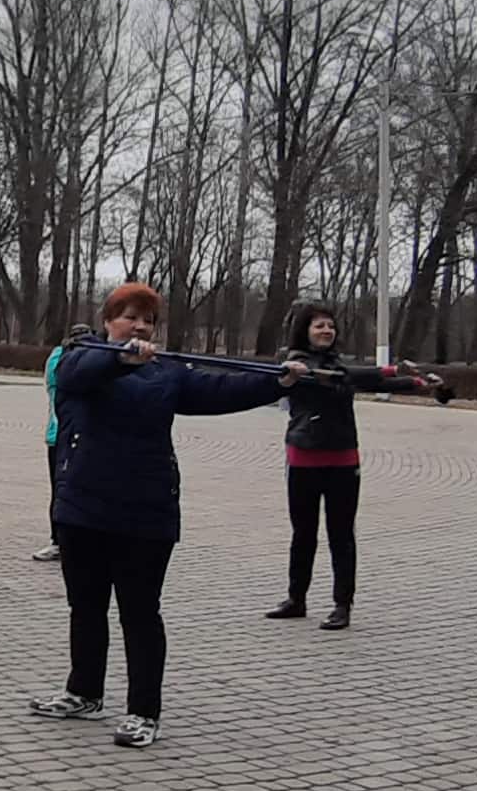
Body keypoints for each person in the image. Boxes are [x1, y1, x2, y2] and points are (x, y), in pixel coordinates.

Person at [31, 282, 298, 750]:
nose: (140, 326)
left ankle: (143, 711)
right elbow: (79, 375)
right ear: (107, 321)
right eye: (129, 317)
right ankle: (84, 692)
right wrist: (120, 358)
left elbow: (220, 388)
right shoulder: (79, 357)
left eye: (148, 320)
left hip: (146, 512)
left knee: (140, 613)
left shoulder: (167, 373)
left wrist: (277, 381)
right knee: (86, 607)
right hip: (82, 509)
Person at [263, 302, 438, 629]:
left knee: (341, 534)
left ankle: (342, 605)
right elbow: (344, 377)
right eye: (319, 325)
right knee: (303, 533)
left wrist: (415, 384)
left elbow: (363, 380)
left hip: (343, 459)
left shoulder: (340, 364)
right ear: (305, 330)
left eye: (330, 325)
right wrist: (391, 370)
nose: (327, 330)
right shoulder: (293, 364)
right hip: (303, 457)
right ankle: (296, 599)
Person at [34, 325, 95, 563]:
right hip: (60, 435)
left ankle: (79, 541)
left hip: (80, 436)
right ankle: (59, 541)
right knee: (62, 491)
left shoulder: (88, 359)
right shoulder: (60, 359)